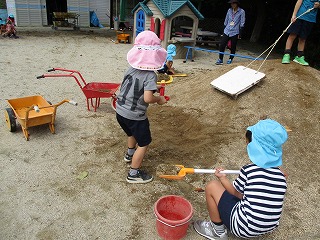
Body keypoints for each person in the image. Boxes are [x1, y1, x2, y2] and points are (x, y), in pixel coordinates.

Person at [194, 119, 288, 239]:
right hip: (269, 226)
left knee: (212, 186)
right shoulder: (282, 176)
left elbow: (235, 193)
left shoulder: (249, 170)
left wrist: (223, 179)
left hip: (243, 227)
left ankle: (217, 231)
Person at [116, 30, 168, 184]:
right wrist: (158, 99)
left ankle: (129, 154)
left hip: (120, 112)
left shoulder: (131, 68)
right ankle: (133, 173)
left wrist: (154, 87)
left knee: (131, 134)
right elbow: (147, 97)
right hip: (135, 116)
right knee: (144, 143)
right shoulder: (150, 75)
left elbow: (135, 86)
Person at [282, 0, 320, 66]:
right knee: (292, 35)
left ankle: (299, 57)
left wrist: (319, 5)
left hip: (310, 19)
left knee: (303, 38)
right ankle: (286, 54)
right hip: (300, 16)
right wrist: (294, 15)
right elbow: (299, 1)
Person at [216, 0, 245, 65]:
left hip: (235, 31)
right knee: (222, 45)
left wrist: (240, 33)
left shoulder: (241, 11)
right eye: (231, 4)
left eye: (233, 3)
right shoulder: (229, 10)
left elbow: (242, 23)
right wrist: (223, 31)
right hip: (227, 30)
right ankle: (220, 59)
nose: (232, 5)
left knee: (233, 46)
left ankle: (230, 58)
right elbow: (226, 20)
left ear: (237, 4)